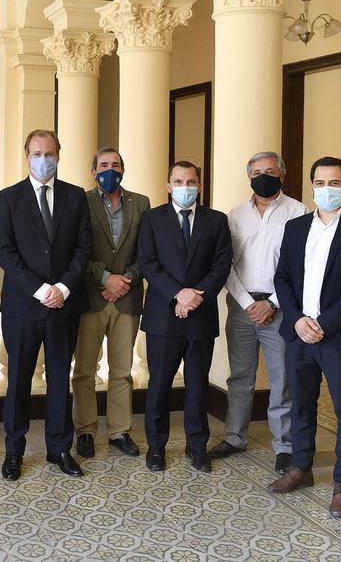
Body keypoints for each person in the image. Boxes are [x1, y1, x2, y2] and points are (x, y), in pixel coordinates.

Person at [268, 156, 341, 519]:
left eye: (334, 183)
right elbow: (282, 278)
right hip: (299, 334)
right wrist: (298, 320)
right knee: (301, 404)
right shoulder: (296, 227)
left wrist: (323, 324)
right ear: (311, 186)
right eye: (320, 183)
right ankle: (300, 467)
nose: (326, 189)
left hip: (340, 336)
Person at [0, 129, 92, 480]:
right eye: (37, 153)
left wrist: (62, 288)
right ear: (27, 156)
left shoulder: (75, 197)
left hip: (64, 305)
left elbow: (84, 248)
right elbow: (5, 252)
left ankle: (59, 449)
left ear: (58, 155)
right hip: (23, 306)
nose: (43, 159)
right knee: (18, 379)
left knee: (59, 379)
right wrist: (40, 289)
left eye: (49, 153)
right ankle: (14, 451)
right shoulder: (9, 198)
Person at [209, 152, 306, 473]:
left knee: (282, 380)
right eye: (257, 172)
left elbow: (301, 266)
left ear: (282, 174)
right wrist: (247, 301)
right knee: (240, 376)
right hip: (242, 307)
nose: (263, 176)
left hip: (281, 307)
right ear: (249, 177)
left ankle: (285, 446)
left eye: (270, 171)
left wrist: (272, 303)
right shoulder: (234, 216)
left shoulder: (299, 213)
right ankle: (234, 437)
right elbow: (225, 263)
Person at [137, 161, 232, 474]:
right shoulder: (152, 219)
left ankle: (197, 446)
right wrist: (178, 294)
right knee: (159, 385)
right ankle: (156, 447)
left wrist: (195, 296)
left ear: (200, 185)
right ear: (168, 186)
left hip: (200, 316)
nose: (185, 187)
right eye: (178, 181)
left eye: (191, 181)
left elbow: (221, 264)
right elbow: (148, 263)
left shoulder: (216, 220)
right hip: (163, 317)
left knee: (197, 385)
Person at [72, 147, 150, 459]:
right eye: (103, 165)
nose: (110, 170)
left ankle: (120, 431)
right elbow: (77, 250)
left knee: (122, 370)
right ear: (93, 171)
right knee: (84, 371)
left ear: (123, 169)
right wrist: (106, 278)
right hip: (91, 297)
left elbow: (147, 252)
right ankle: (86, 430)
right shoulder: (81, 202)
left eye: (115, 164)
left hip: (127, 298)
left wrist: (125, 280)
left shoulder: (141, 203)